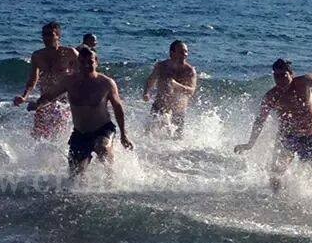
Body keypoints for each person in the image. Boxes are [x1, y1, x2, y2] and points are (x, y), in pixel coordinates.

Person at [28, 46, 133, 176]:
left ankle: (111, 180)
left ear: (96, 62)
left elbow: (118, 108)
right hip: (80, 132)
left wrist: (123, 135)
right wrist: (37, 104)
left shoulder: (106, 83)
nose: (86, 65)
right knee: (75, 174)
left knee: (102, 147)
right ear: (78, 63)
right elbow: (50, 95)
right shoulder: (69, 81)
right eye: (82, 62)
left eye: (90, 62)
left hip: (103, 128)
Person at [234, 59, 312, 190]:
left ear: (291, 74)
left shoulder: (303, 83)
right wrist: (250, 144)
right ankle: (275, 203)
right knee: (275, 174)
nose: (279, 79)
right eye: (276, 75)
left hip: (308, 137)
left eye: (283, 75)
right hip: (286, 138)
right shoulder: (272, 96)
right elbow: (260, 120)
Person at [13, 22, 78, 139]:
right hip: (44, 100)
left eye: (50, 34)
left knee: (58, 135)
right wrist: (24, 97)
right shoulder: (37, 56)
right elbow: (33, 79)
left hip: (63, 101)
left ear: (58, 36)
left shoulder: (70, 53)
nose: (46, 38)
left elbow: (84, 74)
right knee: (38, 135)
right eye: (44, 35)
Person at [143, 40, 197, 137]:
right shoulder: (161, 66)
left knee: (176, 139)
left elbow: (192, 91)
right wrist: (146, 92)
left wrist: (177, 85)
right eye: (181, 52)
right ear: (172, 53)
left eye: (186, 51)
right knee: (149, 134)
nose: (185, 54)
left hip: (178, 109)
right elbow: (151, 80)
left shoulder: (189, 70)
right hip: (160, 105)